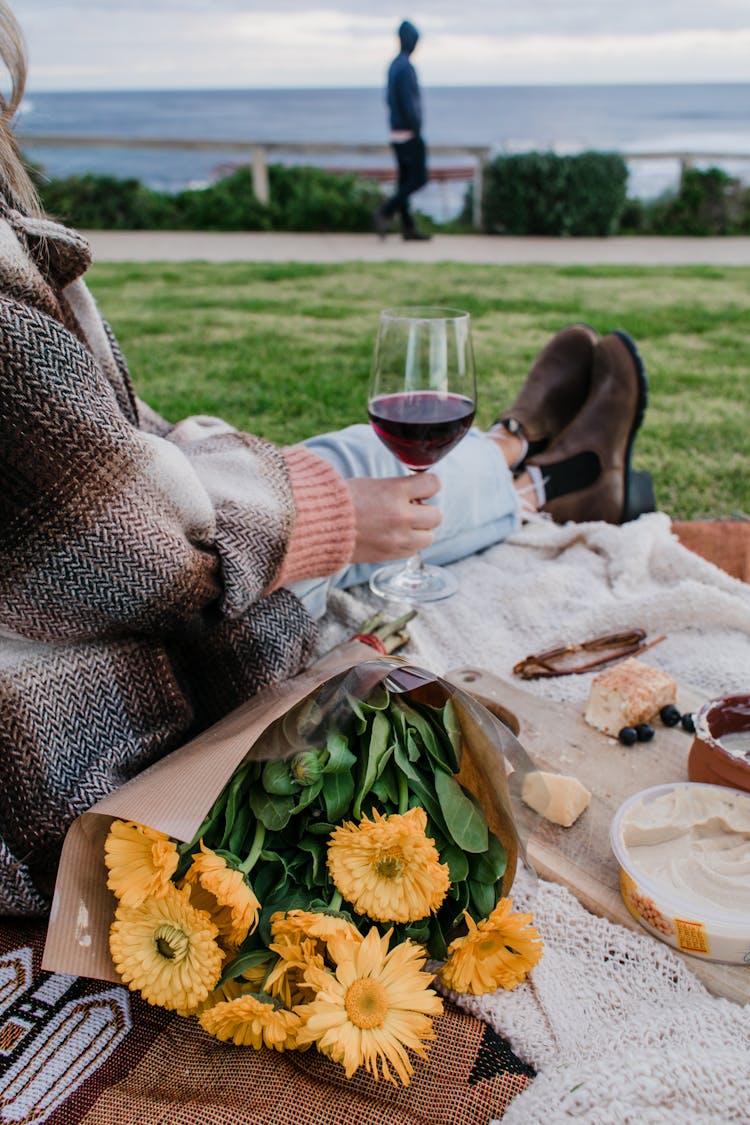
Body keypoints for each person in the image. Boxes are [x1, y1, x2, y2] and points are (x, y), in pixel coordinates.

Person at [0, 1, 653, 916]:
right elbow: (142, 555)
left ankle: (519, 451)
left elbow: (109, 462)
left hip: (71, 606)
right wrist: (331, 517)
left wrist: (276, 484)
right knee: (366, 495)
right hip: (63, 724)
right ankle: (544, 477)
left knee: (342, 465)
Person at [374, 19, 431, 241]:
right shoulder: (405, 67)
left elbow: (389, 99)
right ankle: (386, 211)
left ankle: (408, 227)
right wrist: (415, 128)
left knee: (405, 180)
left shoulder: (393, 66)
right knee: (418, 178)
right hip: (408, 133)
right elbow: (408, 103)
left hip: (395, 132)